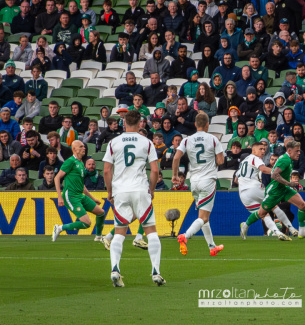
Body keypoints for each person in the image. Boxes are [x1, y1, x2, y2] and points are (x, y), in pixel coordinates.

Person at [101, 110, 164, 287]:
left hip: (120, 191)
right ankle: (155, 272)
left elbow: (106, 170)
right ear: (140, 123)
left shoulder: (114, 142)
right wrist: (151, 190)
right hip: (140, 190)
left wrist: (110, 192)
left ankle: (115, 269)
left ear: (124, 123)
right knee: (151, 232)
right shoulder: (147, 142)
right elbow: (154, 170)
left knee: (119, 232)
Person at [173, 113, 225, 256]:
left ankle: (212, 246)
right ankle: (185, 236)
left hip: (194, 181)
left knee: (203, 216)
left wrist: (174, 175)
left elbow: (176, 157)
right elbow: (220, 161)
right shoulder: (213, 139)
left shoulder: (187, 140)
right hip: (207, 180)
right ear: (207, 124)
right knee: (203, 217)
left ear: (195, 125)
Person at [241, 139, 305, 239]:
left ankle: (301, 231)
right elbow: (274, 175)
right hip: (274, 191)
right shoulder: (284, 160)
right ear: (289, 151)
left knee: (302, 205)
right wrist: (289, 183)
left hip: (283, 188)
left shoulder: (288, 159)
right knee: (261, 213)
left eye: (299, 151)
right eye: (297, 151)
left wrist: (287, 185)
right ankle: (246, 225)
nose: (299, 153)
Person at [52, 140, 105, 243]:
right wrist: (59, 196)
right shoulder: (70, 161)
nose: (84, 148)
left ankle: (98, 237)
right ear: (74, 149)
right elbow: (57, 178)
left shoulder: (81, 163)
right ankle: (59, 228)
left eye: (84, 147)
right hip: (71, 196)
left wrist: (93, 199)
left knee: (101, 213)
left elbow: (82, 186)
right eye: (81, 147)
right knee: (86, 223)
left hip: (80, 195)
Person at [237, 142, 292, 240]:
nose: (263, 151)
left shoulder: (243, 162)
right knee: (273, 206)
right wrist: (277, 172)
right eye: (260, 149)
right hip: (254, 188)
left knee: (263, 214)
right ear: (253, 150)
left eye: (264, 149)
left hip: (242, 193)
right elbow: (264, 169)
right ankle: (290, 229)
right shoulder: (255, 158)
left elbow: (236, 179)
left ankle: (275, 232)